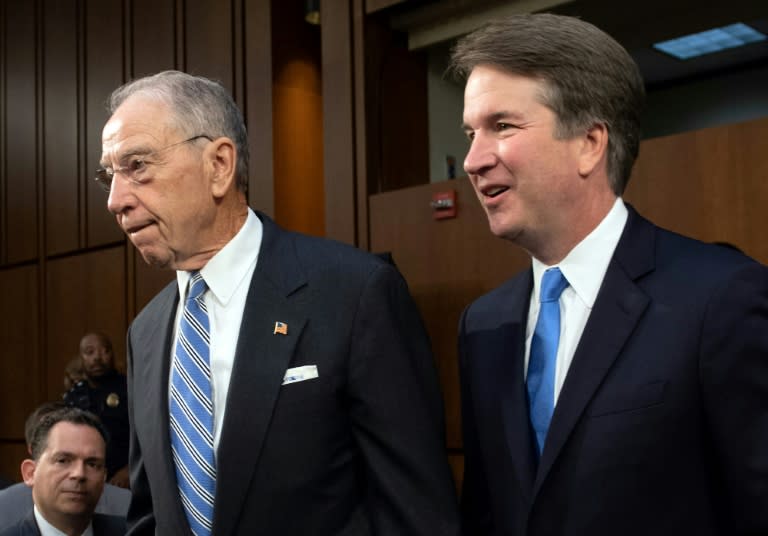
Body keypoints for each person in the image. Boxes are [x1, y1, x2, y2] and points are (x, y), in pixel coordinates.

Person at [98, 70, 460, 535]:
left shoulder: (355, 293)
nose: (115, 200)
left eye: (137, 166)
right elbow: (149, 514)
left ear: (219, 165)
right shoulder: (144, 333)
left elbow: (416, 510)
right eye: (109, 175)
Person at [451, 13, 768, 536]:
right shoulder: (482, 325)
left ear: (589, 143)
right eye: (470, 133)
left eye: (501, 126)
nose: (472, 159)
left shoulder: (720, 298)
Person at [0, 403, 130, 531]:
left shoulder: (133, 532)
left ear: (103, 478)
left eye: (92, 464)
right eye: (63, 461)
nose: (79, 473)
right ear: (30, 473)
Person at [64, 332, 129, 488]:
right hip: (85, 477)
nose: (97, 358)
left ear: (112, 354)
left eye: (104, 351)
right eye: (90, 352)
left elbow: (146, 435)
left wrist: (130, 470)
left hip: (123, 477)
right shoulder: (74, 396)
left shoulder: (130, 389)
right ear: (81, 358)